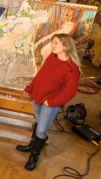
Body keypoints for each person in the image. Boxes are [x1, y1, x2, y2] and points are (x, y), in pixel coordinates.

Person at [17, 33, 81, 171]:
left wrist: (52, 102)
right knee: (38, 121)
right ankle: (32, 145)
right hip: (39, 96)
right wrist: (30, 87)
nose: (52, 45)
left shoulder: (72, 68)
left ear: (65, 46)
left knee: (41, 129)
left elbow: (70, 92)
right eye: (52, 42)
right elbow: (41, 74)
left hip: (51, 102)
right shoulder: (52, 57)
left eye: (56, 43)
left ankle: (34, 156)